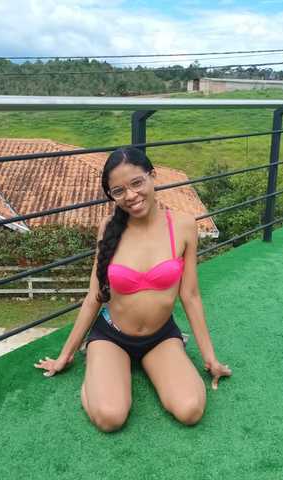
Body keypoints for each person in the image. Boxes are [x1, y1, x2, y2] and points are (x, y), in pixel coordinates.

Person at [34, 147, 232, 432]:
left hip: (160, 337)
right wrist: (65, 356)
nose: (130, 195)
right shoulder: (108, 227)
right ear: (112, 195)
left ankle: (144, 364)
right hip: (111, 336)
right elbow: (94, 297)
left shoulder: (183, 225)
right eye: (118, 191)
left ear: (152, 176)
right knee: (110, 418)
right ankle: (99, 368)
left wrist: (210, 358)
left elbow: (190, 296)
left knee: (190, 410)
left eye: (137, 183)